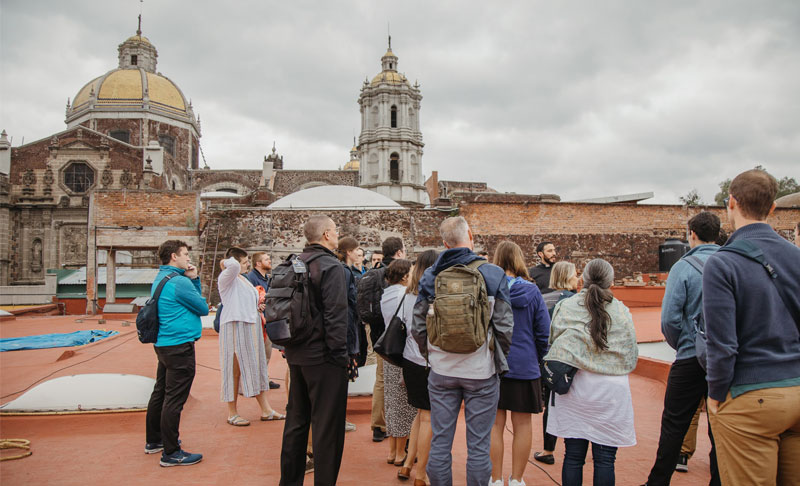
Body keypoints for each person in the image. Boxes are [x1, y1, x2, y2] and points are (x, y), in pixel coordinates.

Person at [703, 169, 800, 486]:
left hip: (751, 393)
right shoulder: (795, 256)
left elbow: (722, 343)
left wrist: (716, 392)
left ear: (730, 203)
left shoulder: (722, 262)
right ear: (772, 208)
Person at [411, 216, 513, 486]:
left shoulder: (431, 276)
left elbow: (418, 325)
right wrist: (497, 357)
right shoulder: (493, 274)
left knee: (441, 441)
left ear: (444, 243)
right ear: (470, 234)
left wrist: (430, 354)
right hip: (481, 371)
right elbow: (504, 326)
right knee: (479, 445)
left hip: (442, 371)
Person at [644, 211, 721, 486]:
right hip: (724, 358)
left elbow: (670, 319)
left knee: (674, 424)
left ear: (692, 234)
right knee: (720, 428)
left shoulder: (683, 267)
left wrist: (683, 344)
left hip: (690, 356)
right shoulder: (732, 263)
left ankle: (658, 481)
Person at [544, 259, 638, 486]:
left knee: (573, 457)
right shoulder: (622, 311)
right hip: (610, 392)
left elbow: (553, 341)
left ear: (582, 279)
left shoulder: (566, 306)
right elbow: (631, 353)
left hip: (575, 387)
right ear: (611, 281)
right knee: (605, 460)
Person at [279, 215, 349, 486]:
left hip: (296, 352)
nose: (337, 234)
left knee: (297, 421)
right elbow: (336, 315)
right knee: (327, 428)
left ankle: (289, 481)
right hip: (323, 356)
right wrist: (339, 356)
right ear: (327, 235)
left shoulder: (292, 263)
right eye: (335, 230)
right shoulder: (330, 266)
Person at [490, 241, 551, 486]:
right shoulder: (532, 291)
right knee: (523, 424)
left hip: (493, 364)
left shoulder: (490, 289)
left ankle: (495, 479)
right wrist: (539, 359)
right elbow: (543, 332)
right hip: (525, 364)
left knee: (495, 424)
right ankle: (517, 479)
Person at [145, 240, 208, 467]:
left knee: (161, 392)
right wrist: (194, 279)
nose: (188, 259)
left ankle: (155, 440)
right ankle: (171, 452)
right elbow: (201, 306)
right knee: (174, 398)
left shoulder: (162, 278)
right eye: (185, 254)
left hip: (164, 343)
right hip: (179, 345)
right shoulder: (180, 282)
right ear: (174, 257)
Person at [217, 247, 284, 426]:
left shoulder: (242, 280)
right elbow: (230, 265)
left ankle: (266, 409)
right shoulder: (227, 276)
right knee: (234, 369)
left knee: (255, 367)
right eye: (245, 262)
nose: (248, 265)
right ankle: (232, 412)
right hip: (235, 325)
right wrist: (226, 261)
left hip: (250, 325)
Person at [398, 249, 438, 486]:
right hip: (428, 362)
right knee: (428, 419)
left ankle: (408, 463)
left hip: (410, 360)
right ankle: (421, 473)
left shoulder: (407, 295)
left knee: (420, 415)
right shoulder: (432, 297)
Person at [534, 260, 579, 466]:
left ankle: (548, 449)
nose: (577, 277)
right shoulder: (577, 300)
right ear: (567, 277)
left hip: (550, 359)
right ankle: (575, 445)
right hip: (574, 358)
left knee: (551, 403)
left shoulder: (543, 299)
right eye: (574, 274)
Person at [364, 237, 406, 442]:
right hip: (396, 335)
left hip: (378, 333)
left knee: (381, 380)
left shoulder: (375, 273)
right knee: (400, 383)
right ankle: (395, 427)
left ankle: (379, 425)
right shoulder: (399, 271)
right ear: (398, 253)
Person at [379, 259, 417, 469]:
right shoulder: (404, 295)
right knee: (404, 404)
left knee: (392, 402)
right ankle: (401, 452)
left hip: (388, 353)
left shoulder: (387, 293)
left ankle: (393, 450)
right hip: (402, 352)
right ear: (404, 276)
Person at [336, 236, 362, 432]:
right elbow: (349, 303)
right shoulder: (344, 272)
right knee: (341, 379)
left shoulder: (342, 270)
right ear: (348, 252)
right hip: (346, 331)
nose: (358, 253)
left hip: (343, 329)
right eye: (356, 250)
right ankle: (339, 419)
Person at [245, 251, 280, 390]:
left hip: (266, 320)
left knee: (266, 352)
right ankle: (255, 380)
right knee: (257, 352)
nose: (270, 261)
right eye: (266, 259)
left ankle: (263, 378)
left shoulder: (266, 278)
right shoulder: (251, 278)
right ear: (258, 263)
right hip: (258, 321)